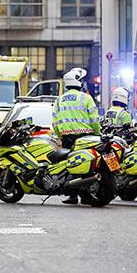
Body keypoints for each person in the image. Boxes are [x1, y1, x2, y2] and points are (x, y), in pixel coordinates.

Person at [52, 67, 100, 205]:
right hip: (85, 137)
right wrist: (97, 133)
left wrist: (60, 136)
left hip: (67, 138)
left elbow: (55, 122)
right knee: (86, 165)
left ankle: (72, 196)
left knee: (70, 166)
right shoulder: (86, 98)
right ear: (78, 82)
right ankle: (86, 195)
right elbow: (94, 120)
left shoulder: (59, 100)